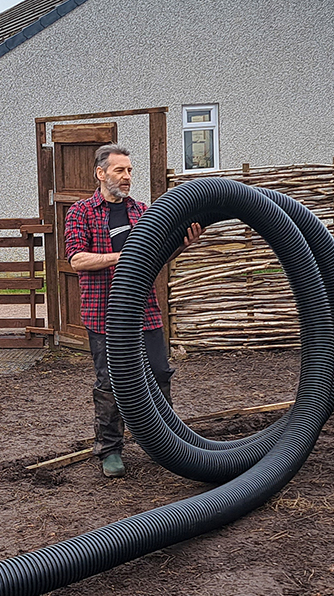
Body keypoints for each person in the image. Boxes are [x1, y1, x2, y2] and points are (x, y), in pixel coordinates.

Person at [64, 144, 202, 478]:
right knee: (110, 382)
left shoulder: (143, 212)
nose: (126, 177)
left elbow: (155, 257)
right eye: (119, 171)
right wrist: (122, 256)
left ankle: (165, 444)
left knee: (158, 374)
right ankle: (110, 450)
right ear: (101, 173)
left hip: (145, 310)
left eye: (129, 171)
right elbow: (77, 259)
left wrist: (181, 245)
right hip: (104, 314)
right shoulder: (81, 213)